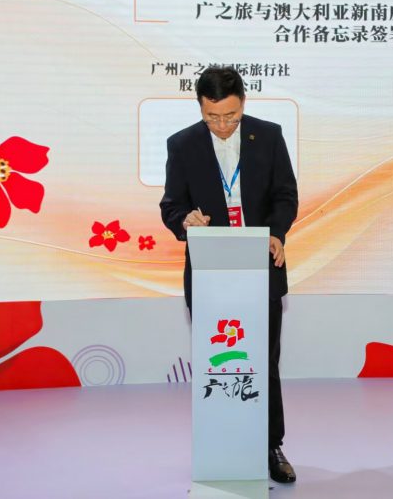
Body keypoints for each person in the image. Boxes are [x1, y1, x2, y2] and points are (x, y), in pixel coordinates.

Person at [160, 66, 299, 483]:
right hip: (210, 272)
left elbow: (285, 195)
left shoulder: (268, 136)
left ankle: (271, 446)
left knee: (264, 361)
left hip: (261, 268)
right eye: (212, 117)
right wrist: (185, 220)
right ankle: (220, 446)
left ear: (243, 104)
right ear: (200, 108)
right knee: (218, 365)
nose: (222, 126)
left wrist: (276, 233)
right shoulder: (182, 145)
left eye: (231, 116)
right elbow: (171, 205)